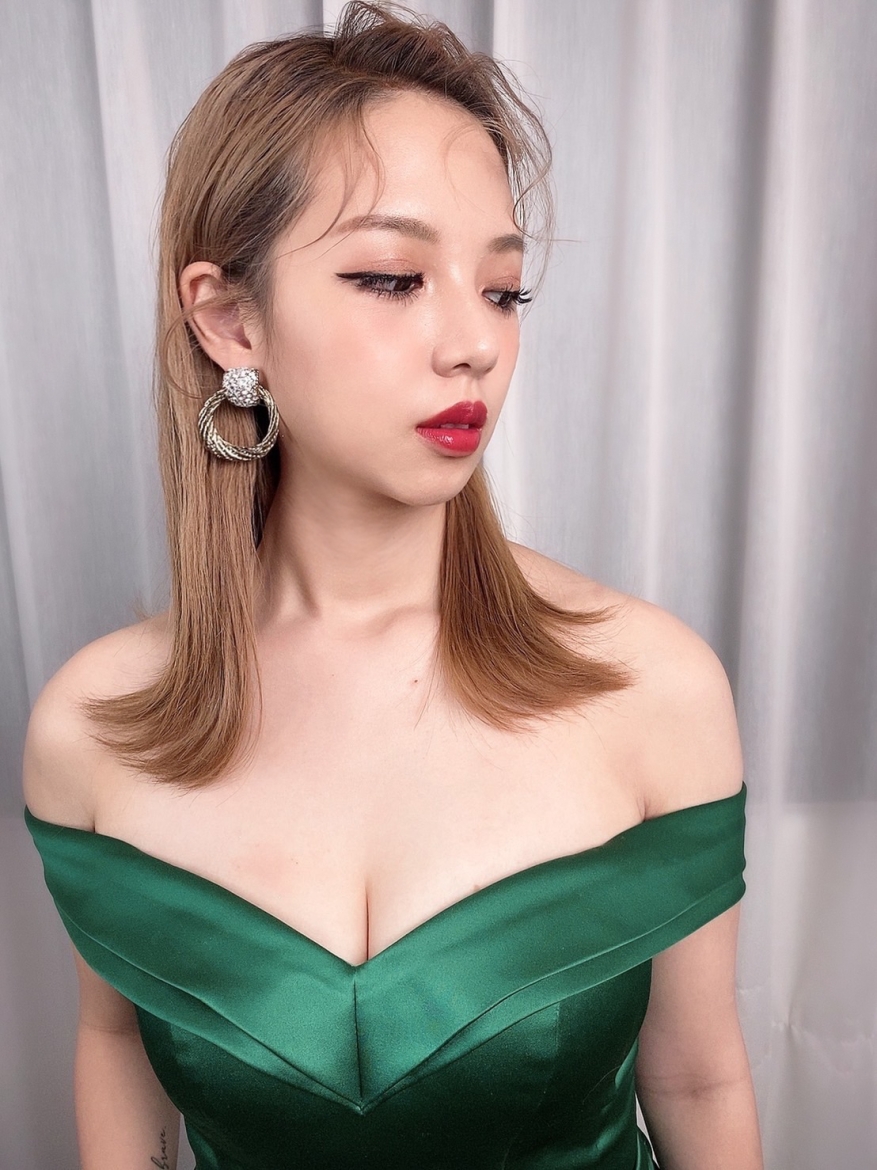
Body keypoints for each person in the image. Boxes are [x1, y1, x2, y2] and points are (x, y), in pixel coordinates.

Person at [23, 3, 763, 1168]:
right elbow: (115, 1044)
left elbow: (700, 1077)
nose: (474, 343)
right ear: (230, 320)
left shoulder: (649, 686)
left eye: (503, 290)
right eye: (391, 277)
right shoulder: (95, 727)